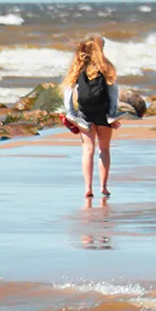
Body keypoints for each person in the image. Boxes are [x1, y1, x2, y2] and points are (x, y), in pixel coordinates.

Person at [62, 35, 121, 198]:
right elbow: (113, 92)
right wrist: (112, 115)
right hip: (103, 113)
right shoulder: (106, 66)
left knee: (88, 150)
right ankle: (103, 186)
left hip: (84, 113)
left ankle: (88, 187)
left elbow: (68, 91)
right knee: (104, 149)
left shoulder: (79, 66)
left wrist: (71, 114)